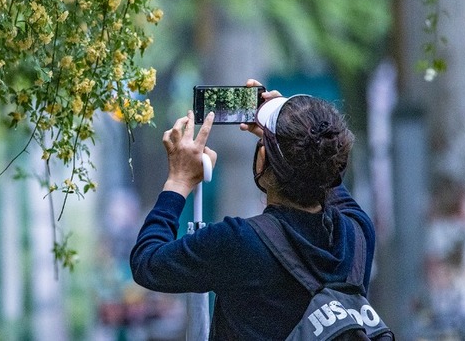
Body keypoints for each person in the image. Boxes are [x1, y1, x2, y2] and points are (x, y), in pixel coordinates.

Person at [130, 79, 376, 339]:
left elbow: (147, 262)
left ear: (262, 161)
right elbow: (327, 173)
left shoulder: (239, 242)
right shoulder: (358, 235)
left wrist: (179, 181)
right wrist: (296, 129)